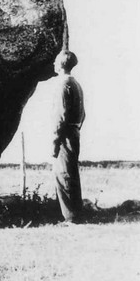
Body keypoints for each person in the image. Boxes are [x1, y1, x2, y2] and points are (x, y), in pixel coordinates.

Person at [52, 50, 86, 224]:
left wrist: (54, 141)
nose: (53, 64)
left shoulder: (62, 85)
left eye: (56, 61)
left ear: (61, 64)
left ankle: (71, 218)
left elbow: (60, 116)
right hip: (74, 131)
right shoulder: (76, 84)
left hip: (65, 133)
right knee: (71, 172)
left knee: (63, 173)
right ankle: (76, 214)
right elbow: (83, 114)